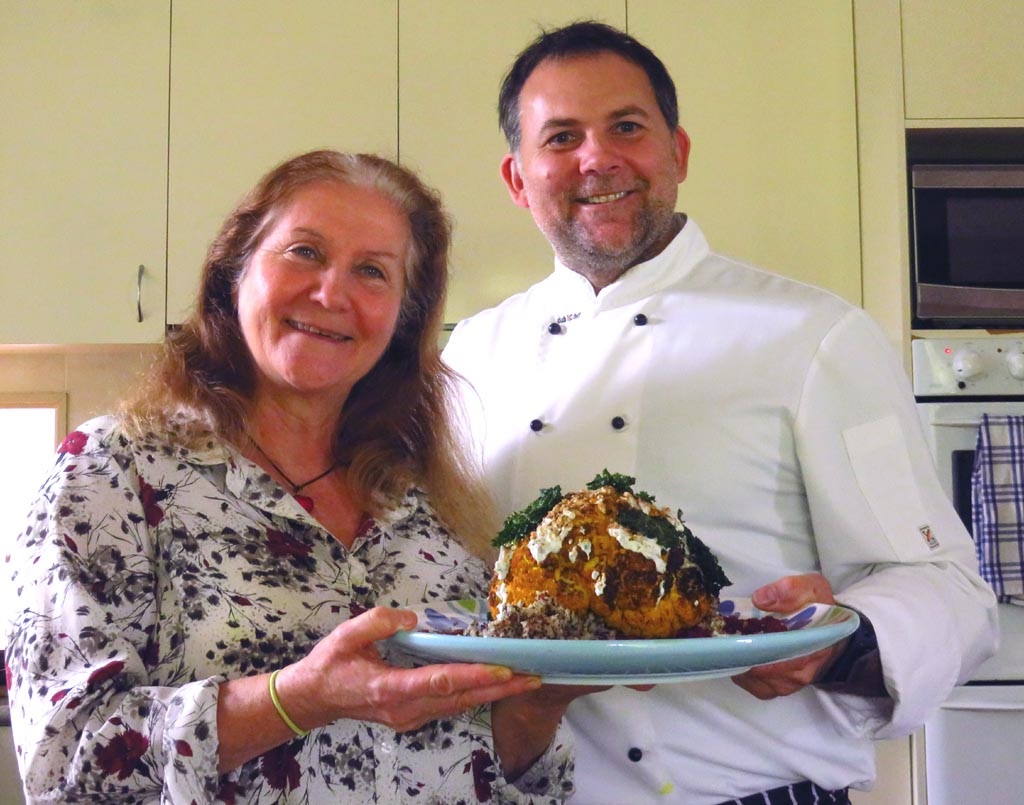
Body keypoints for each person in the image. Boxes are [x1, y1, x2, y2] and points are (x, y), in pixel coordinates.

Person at [442, 21, 999, 805]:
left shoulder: (814, 336)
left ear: (678, 152)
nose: (596, 158)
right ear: (516, 177)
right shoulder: (469, 354)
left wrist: (839, 641)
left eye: (626, 127)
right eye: (561, 137)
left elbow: (948, 589)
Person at [4, 150, 582, 803]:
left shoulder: (434, 502)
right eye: (305, 252)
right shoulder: (113, 470)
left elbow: (498, 767)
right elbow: (63, 761)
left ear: (401, 317)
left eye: (372, 271)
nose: (333, 293)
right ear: (234, 271)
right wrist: (298, 698)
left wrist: (539, 702)